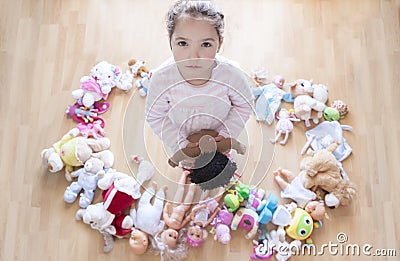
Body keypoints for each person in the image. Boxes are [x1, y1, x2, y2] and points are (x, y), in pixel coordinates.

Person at [145, 0, 253, 155]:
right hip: (182, 136)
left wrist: (226, 134)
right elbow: (155, 116)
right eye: (183, 43)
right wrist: (180, 144)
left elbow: (244, 104)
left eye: (206, 44)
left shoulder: (231, 75)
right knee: (192, 167)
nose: (193, 56)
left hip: (219, 133)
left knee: (219, 169)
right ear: (170, 40)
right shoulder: (161, 79)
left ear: (220, 43)